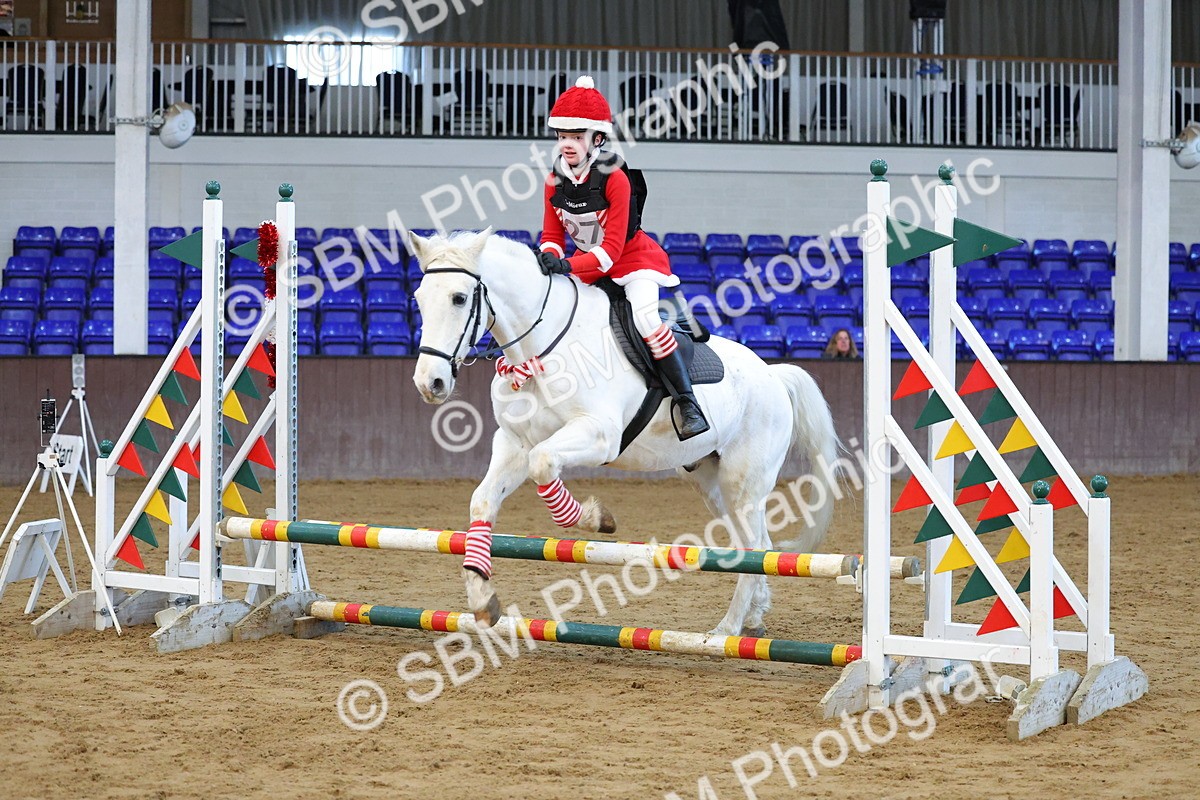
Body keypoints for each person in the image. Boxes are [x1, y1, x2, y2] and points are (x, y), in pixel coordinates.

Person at [535, 75, 709, 440]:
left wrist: (566, 265)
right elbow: (552, 235)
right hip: (588, 266)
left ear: (596, 139)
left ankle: (688, 403)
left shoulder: (616, 177)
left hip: (633, 262)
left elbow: (610, 251)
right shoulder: (554, 178)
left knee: (645, 319)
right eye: (562, 136)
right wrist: (548, 258)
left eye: (576, 136)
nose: (567, 144)